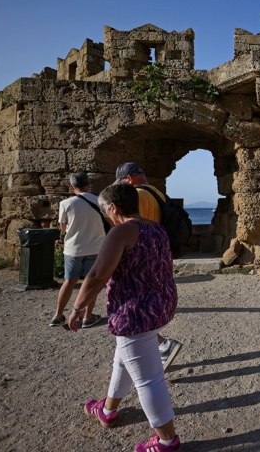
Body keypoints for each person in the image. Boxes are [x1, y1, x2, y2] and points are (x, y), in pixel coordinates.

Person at [67, 183, 181, 452]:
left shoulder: (121, 232)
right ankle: (107, 410)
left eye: (105, 210)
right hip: (159, 305)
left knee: (148, 379)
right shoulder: (156, 228)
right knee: (124, 358)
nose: (106, 216)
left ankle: (167, 441)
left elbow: (97, 275)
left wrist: (77, 307)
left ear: (113, 207)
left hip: (134, 312)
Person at [115, 162, 183, 371]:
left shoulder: (138, 195)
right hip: (157, 252)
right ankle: (156, 348)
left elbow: (133, 224)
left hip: (142, 255)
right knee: (141, 310)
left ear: (128, 179)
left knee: (132, 310)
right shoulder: (156, 192)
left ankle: (159, 348)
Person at [50, 172, 106, 328]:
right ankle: (88, 317)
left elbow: (63, 228)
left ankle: (58, 315)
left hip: (73, 248)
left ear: (71, 187)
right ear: (89, 185)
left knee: (69, 281)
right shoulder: (99, 201)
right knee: (91, 283)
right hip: (95, 247)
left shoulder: (65, 203)